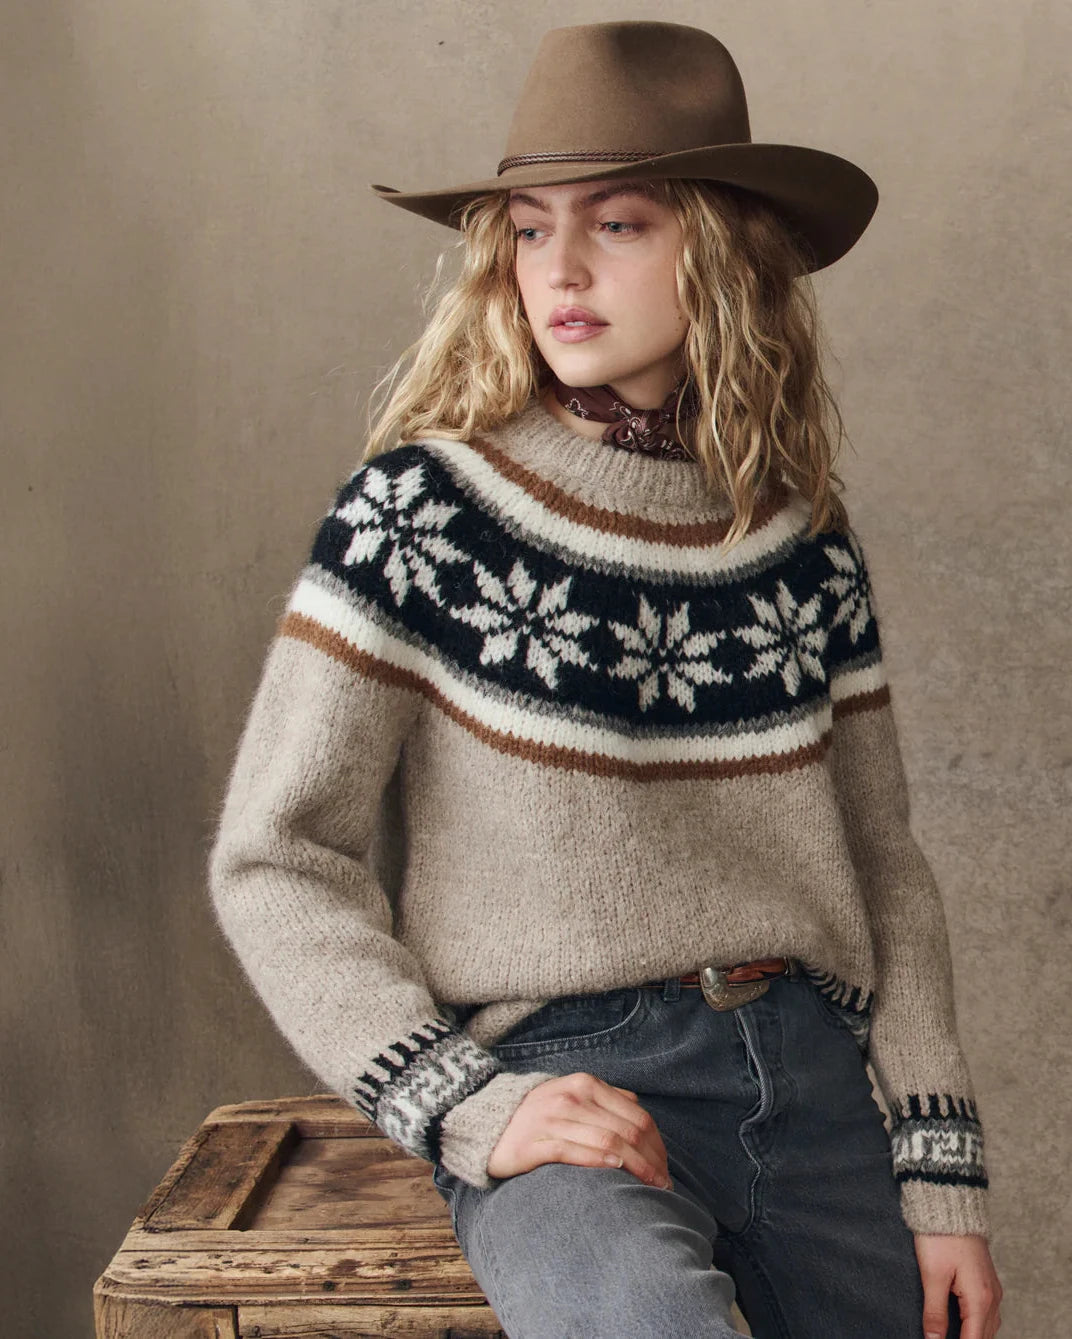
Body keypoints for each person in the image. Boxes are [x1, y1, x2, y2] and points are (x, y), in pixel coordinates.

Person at [208, 20, 1003, 1339]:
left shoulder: (799, 536)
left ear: (727, 247)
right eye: (528, 229)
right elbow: (277, 855)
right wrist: (470, 1103)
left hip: (808, 1077)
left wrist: (940, 1171)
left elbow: (884, 865)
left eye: (619, 224)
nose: (558, 269)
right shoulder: (421, 514)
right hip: (569, 1085)